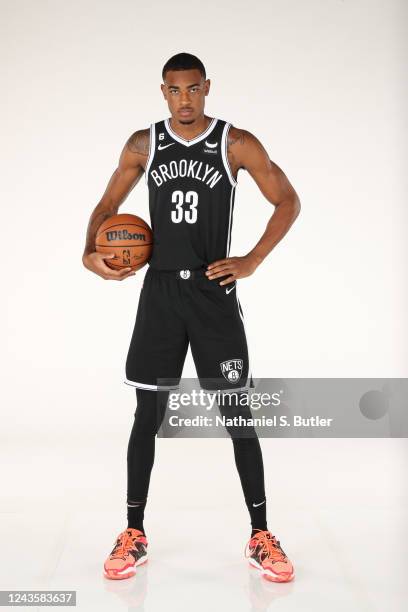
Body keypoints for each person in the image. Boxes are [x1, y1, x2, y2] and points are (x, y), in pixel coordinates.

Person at [82, 52, 300, 583]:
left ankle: (261, 534)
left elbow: (287, 200)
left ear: (207, 88)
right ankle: (133, 531)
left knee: (236, 414)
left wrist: (250, 260)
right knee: (147, 416)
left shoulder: (235, 142)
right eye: (175, 90)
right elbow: (109, 201)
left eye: (193, 89)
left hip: (212, 293)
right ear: (163, 92)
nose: (185, 99)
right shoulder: (144, 143)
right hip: (159, 294)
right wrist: (89, 251)